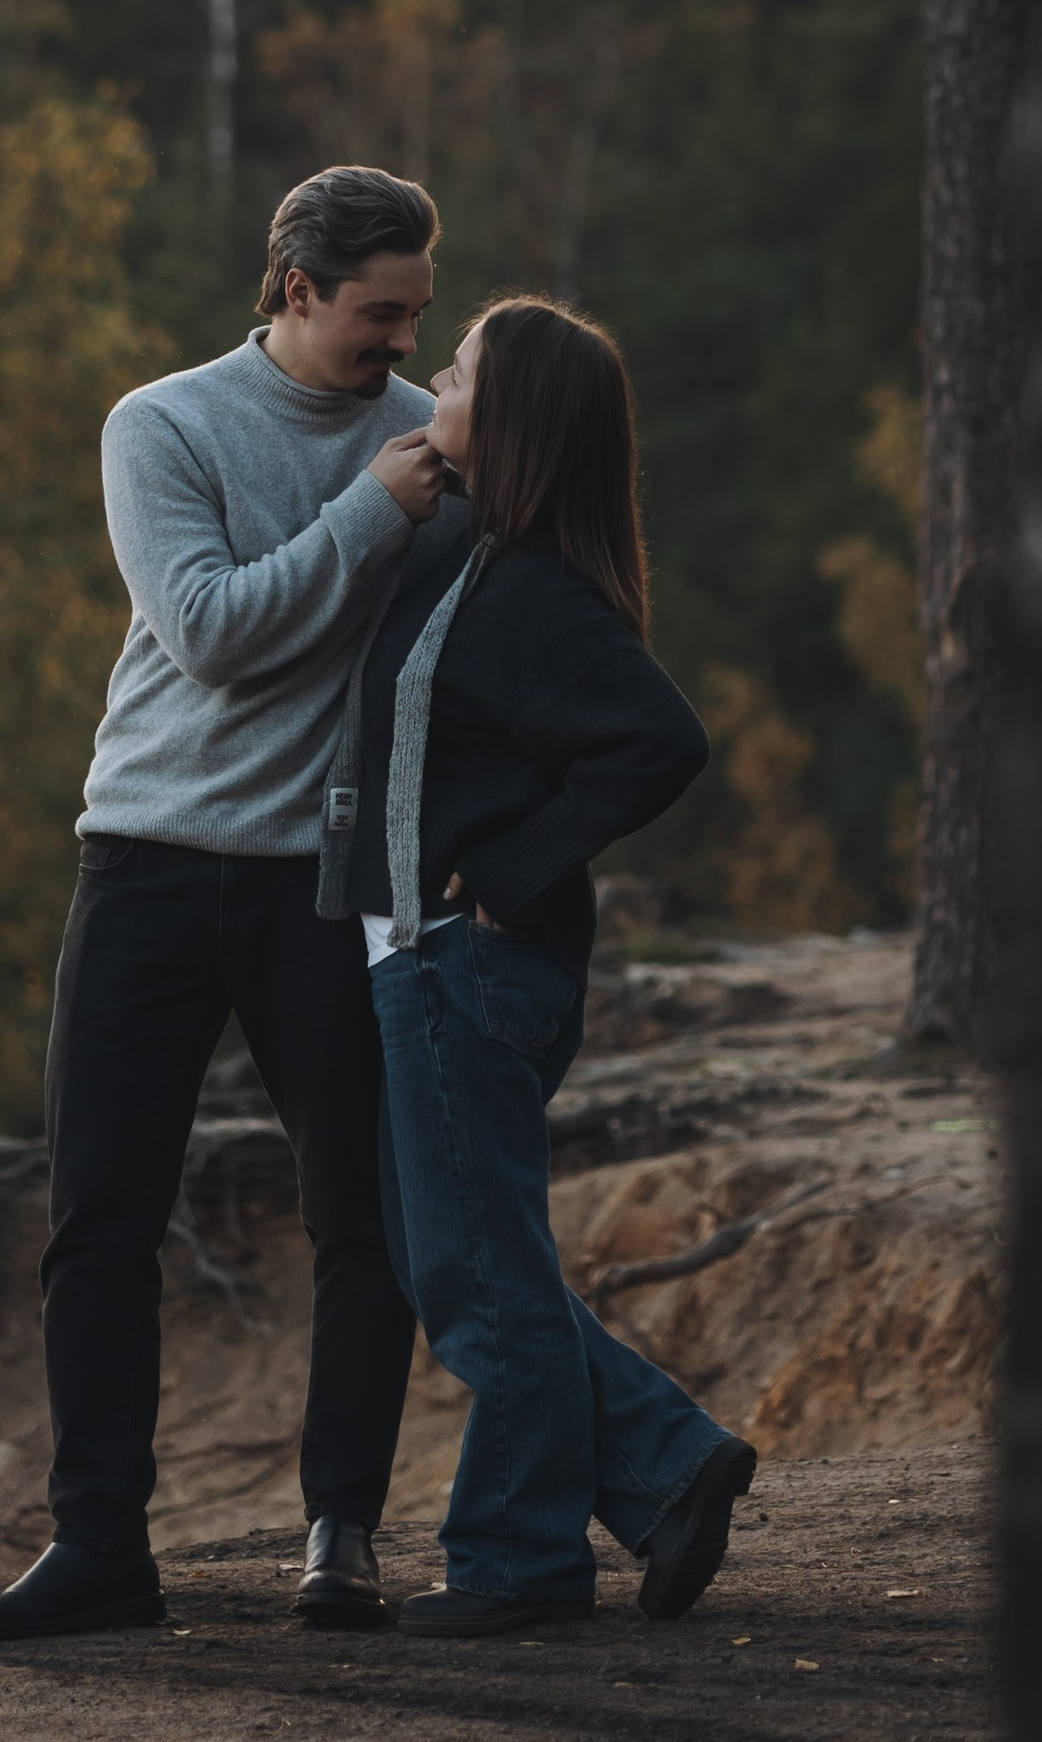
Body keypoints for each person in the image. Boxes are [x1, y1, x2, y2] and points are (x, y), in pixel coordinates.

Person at [0, 165, 457, 1645]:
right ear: (297, 289)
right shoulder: (160, 424)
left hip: (325, 878)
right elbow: (216, 634)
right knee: (100, 1217)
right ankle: (100, 1548)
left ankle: (341, 1539)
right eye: (379, 314)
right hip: (150, 858)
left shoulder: (426, 435)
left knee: (360, 1216)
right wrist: (371, 513)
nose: (402, 345)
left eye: (419, 314)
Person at [323, 295, 756, 1639]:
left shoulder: (536, 593)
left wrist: (516, 866)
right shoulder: (470, 556)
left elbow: (659, 741)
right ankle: (668, 1465)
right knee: (454, 1256)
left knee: (475, 1272)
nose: (429, 386)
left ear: (503, 419)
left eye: (450, 374)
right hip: (420, 964)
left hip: (469, 971)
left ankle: (516, 1559)